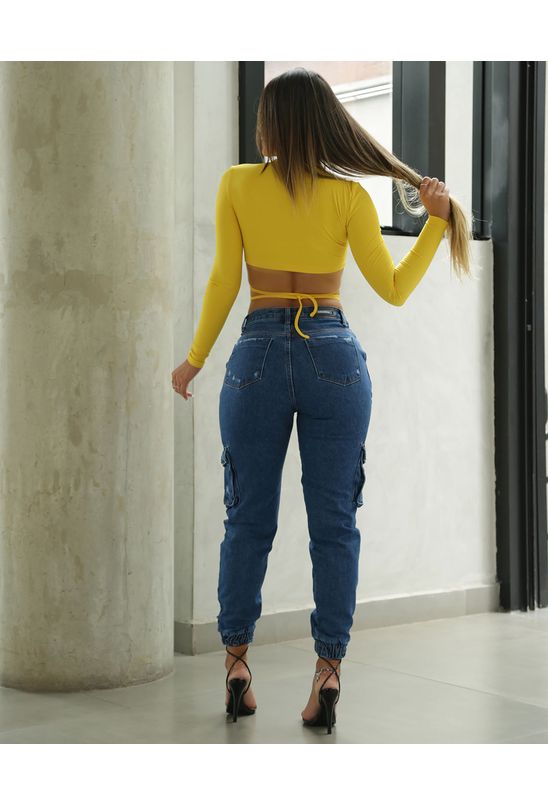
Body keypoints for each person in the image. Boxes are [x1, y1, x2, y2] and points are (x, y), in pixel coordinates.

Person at [172, 67, 470, 733]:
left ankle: (237, 666)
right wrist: (434, 225)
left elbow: (224, 280)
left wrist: (194, 359)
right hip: (333, 355)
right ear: (328, 123)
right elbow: (393, 289)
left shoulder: (236, 184)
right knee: (335, 524)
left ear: (271, 124)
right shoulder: (350, 197)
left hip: (257, 353)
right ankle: (328, 673)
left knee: (246, 520)